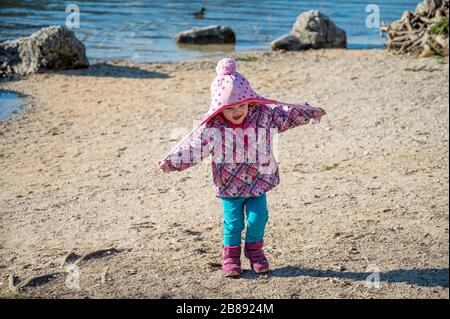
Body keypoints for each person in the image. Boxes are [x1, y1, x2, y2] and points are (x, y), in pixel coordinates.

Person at [157, 58, 326, 277]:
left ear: (250, 102)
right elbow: (194, 149)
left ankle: (255, 251)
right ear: (219, 109)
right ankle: (231, 256)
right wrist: (172, 162)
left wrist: (308, 111)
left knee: (259, 217)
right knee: (233, 223)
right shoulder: (213, 129)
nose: (238, 111)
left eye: (242, 105)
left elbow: (284, 115)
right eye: (231, 108)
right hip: (230, 185)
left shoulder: (262, 116)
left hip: (258, 180)